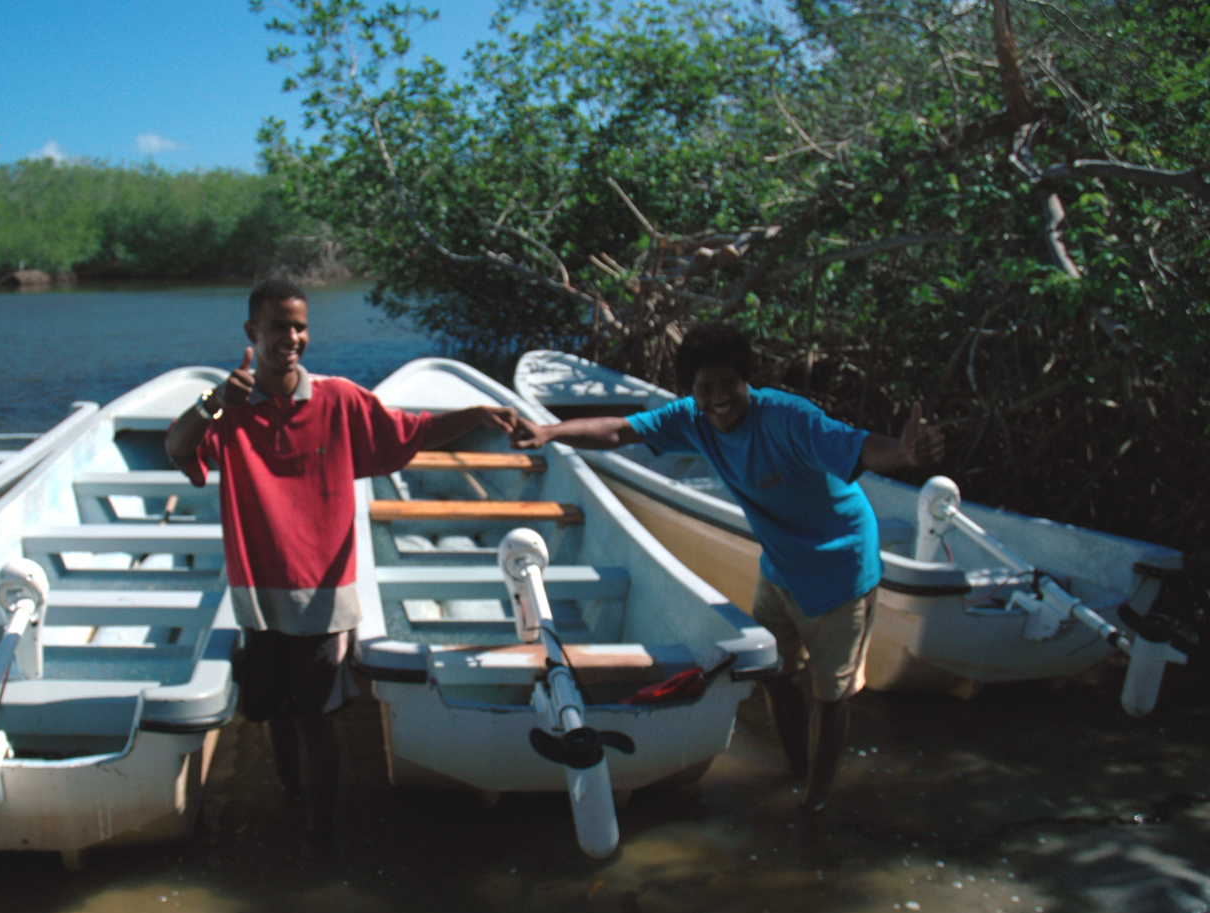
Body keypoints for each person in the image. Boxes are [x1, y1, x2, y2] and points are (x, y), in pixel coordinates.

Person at [510, 322, 944, 815]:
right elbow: (620, 429)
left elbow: (861, 446)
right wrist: (548, 431)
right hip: (780, 567)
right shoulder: (692, 418)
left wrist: (906, 452)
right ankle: (797, 768)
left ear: (746, 381)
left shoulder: (787, 417)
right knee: (776, 673)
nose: (719, 400)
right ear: (691, 391)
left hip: (841, 568)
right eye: (705, 388)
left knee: (832, 694)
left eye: (728, 385)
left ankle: (817, 803)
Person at [165, 278, 518, 842]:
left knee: (317, 719)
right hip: (257, 594)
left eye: (301, 326)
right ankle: (292, 795)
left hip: (322, 598)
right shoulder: (227, 408)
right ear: (252, 332)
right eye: (280, 326)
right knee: (274, 713)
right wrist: (210, 402)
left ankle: (319, 832)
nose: (293, 337)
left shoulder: (339, 399)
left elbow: (414, 431)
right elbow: (179, 447)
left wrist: (475, 414)